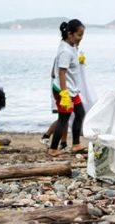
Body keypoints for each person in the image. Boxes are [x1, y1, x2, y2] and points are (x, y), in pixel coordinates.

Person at [45, 19, 87, 157]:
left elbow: (72, 60)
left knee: (80, 113)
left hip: (72, 90)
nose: (81, 38)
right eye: (79, 35)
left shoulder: (70, 45)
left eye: (82, 35)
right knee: (64, 118)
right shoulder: (65, 51)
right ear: (70, 34)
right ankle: (53, 148)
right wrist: (64, 94)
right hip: (63, 90)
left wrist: (79, 58)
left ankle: (76, 144)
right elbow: (61, 73)